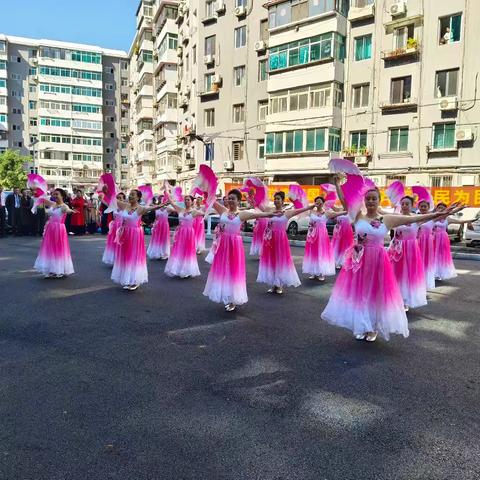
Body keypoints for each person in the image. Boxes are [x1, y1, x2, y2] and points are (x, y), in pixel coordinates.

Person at [321, 177, 461, 342]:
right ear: (364, 201)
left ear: (379, 201)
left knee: (375, 294)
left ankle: (372, 327)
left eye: (374, 198)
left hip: (378, 261)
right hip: (358, 261)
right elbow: (345, 201)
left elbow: (414, 219)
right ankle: (362, 324)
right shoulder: (357, 216)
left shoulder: (386, 219)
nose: (371, 201)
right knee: (360, 293)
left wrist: (439, 213)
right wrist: (338, 185)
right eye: (368, 199)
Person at [203, 189, 276, 312]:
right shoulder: (223, 211)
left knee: (233, 271)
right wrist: (206, 189)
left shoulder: (242, 214)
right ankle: (225, 294)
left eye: (233, 198)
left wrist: (273, 214)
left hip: (235, 245)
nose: (230, 200)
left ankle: (232, 299)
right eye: (229, 198)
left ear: (238, 200)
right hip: (223, 244)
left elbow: (259, 215)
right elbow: (211, 200)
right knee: (222, 270)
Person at [257, 191, 314, 294]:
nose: (276, 200)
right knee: (271, 261)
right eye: (275, 198)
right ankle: (273, 284)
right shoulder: (270, 211)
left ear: (283, 201)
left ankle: (279, 285)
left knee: (280, 262)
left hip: (280, 240)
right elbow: (259, 207)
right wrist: (253, 198)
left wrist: (311, 207)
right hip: (269, 240)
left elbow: (300, 210)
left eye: (278, 198)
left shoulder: (286, 213)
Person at [111, 189, 162, 291]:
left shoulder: (140, 208)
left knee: (134, 257)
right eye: (129, 195)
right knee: (126, 257)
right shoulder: (125, 205)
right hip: (125, 234)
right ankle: (128, 279)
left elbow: (151, 208)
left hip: (135, 235)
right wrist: (107, 191)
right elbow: (111, 199)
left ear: (138, 197)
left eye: (133, 195)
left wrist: (161, 205)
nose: (130, 196)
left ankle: (135, 280)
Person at [388, 196, 427, 311]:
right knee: (394, 274)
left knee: (407, 275)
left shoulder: (416, 218)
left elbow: (434, 216)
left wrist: (449, 211)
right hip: (396, 249)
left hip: (410, 250)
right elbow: (380, 213)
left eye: (407, 204)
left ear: (412, 206)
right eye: (403, 204)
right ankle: (393, 299)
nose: (404, 206)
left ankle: (405, 300)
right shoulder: (395, 217)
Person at [33, 188, 75, 278]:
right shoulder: (53, 204)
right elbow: (42, 199)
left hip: (59, 229)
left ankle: (59, 269)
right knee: (49, 249)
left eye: (57, 194)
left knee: (58, 249)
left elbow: (67, 210)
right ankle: (51, 269)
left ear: (62, 196)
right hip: (50, 229)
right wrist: (36, 190)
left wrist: (70, 211)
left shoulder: (64, 206)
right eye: (54, 194)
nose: (55, 196)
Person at [432, 202, 475, 281]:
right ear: (436, 208)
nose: (441, 209)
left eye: (443, 208)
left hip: (443, 239)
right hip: (433, 238)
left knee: (441, 256)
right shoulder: (433, 217)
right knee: (433, 255)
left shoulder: (448, 219)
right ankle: (432, 272)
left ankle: (439, 273)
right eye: (439, 207)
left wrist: (469, 220)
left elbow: (460, 221)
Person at [164, 195, 202, 278]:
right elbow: (172, 202)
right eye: (185, 200)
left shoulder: (194, 212)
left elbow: (205, 213)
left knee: (187, 251)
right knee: (179, 250)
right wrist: (167, 191)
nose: (186, 201)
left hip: (189, 233)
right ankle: (178, 268)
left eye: (188, 200)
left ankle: (187, 269)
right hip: (180, 232)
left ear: (192, 201)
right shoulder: (180, 209)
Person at [302, 196, 338, 281]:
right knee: (313, 253)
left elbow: (338, 213)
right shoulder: (311, 212)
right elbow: (302, 210)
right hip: (312, 236)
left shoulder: (326, 213)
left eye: (320, 202)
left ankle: (321, 273)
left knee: (321, 253)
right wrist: (311, 206)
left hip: (322, 236)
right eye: (316, 202)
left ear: (323, 203)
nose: (318, 203)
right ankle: (314, 272)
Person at [102, 192, 126, 265]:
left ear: (124, 199)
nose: (118, 199)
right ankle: (114, 259)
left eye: (120, 198)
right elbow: (105, 202)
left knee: (121, 244)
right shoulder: (114, 206)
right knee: (113, 244)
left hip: (121, 228)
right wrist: (102, 197)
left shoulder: (126, 207)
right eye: (117, 198)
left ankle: (121, 260)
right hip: (114, 227)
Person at [417, 200, 437, 290]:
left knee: (426, 262)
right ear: (418, 207)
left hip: (428, 243)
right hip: (417, 242)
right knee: (417, 261)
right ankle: (417, 281)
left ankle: (425, 281)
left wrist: (452, 209)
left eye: (425, 206)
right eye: (421, 206)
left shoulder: (432, 218)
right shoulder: (415, 217)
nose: (423, 208)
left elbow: (444, 214)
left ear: (428, 208)